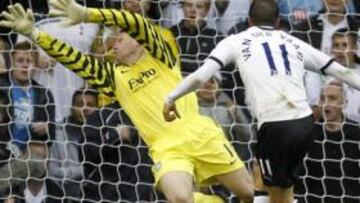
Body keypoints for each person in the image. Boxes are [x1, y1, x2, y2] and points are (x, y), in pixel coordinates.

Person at [0, 1, 254, 203]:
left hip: (200, 134)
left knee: (248, 194)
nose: (116, 39)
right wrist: (35, 33)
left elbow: (135, 23)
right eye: (116, 37)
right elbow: (75, 59)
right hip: (166, 148)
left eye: (123, 36)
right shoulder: (113, 76)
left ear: (140, 42)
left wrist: (90, 14)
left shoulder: (160, 55)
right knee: (179, 197)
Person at [162, 0, 360, 203]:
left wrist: (170, 98)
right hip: (305, 124)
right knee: (277, 190)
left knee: (268, 189)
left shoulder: (235, 41)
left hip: (275, 126)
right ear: (277, 21)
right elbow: (341, 71)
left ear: (249, 20)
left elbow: (199, 77)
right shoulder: (293, 42)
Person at [0, 41, 55, 197]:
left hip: (22, 159)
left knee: (38, 159)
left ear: (36, 65)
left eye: (29, 61)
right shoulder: (1, 84)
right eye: (20, 61)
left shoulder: (44, 95)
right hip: (2, 151)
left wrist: (47, 128)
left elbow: (51, 139)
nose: (25, 66)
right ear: (11, 61)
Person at [295, 81, 360, 203]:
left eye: (332, 98)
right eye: (322, 99)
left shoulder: (356, 135)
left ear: (344, 103)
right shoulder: (307, 136)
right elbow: (300, 181)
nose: (326, 103)